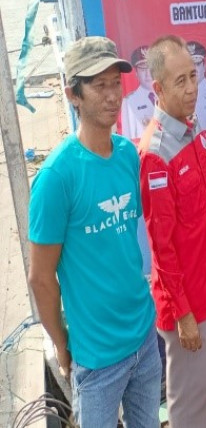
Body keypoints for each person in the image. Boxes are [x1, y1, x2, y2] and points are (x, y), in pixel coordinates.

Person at [28, 36, 160, 428]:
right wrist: (64, 347)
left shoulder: (125, 156)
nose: (112, 95)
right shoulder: (57, 177)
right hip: (97, 360)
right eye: (98, 86)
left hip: (145, 340)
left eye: (115, 83)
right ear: (73, 95)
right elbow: (40, 278)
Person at [138, 36, 206, 427]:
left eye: (193, 76)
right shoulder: (156, 154)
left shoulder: (191, 131)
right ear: (157, 88)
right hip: (188, 306)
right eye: (180, 81)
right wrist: (184, 315)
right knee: (189, 412)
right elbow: (162, 248)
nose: (192, 88)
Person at [122, 45, 156, 140]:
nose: (148, 73)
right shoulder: (129, 101)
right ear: (136, 73)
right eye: (143, 69)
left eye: (150, 68)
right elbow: (127, 137)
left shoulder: (167, 96)